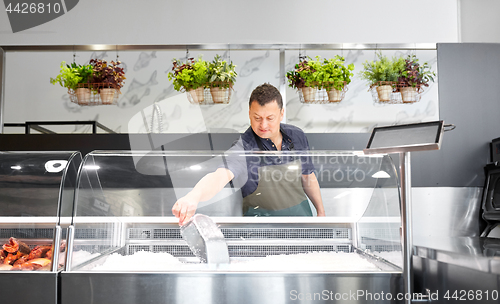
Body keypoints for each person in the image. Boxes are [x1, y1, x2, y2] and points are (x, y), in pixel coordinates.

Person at [172, 83, 325, 225]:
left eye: (270, 118)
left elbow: (307, 176)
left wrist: (321, 212)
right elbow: (219, 176)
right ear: (249, 114)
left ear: (281, 113)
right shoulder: (244, 147)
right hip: (261, 232)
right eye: (257, 118)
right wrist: (194, 196)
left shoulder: (296, 136)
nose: (263, 125)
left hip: (301, 225)